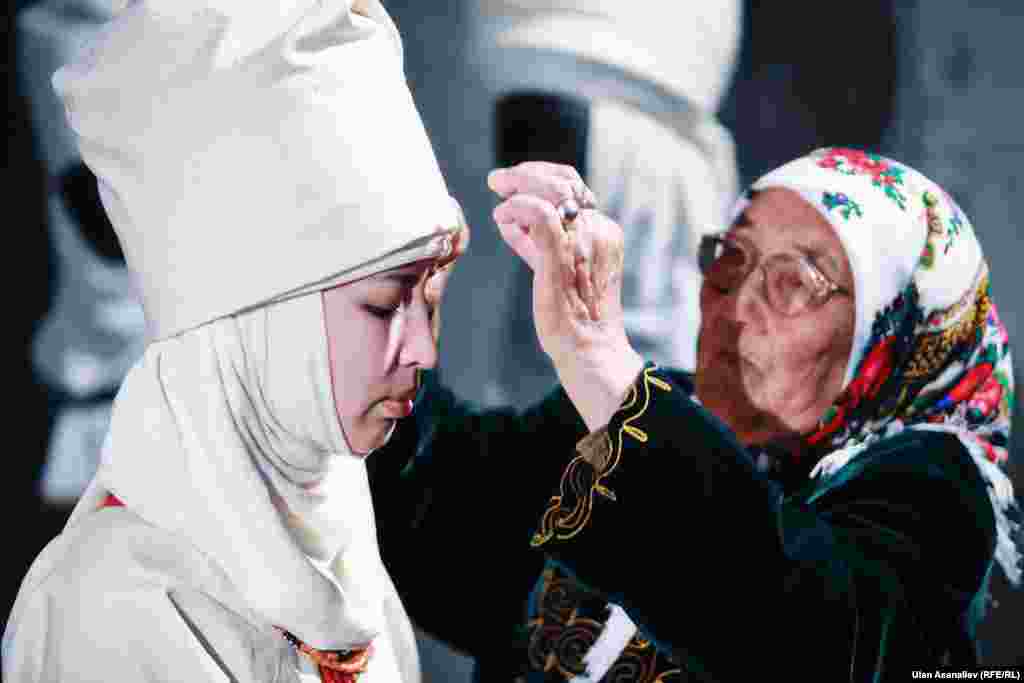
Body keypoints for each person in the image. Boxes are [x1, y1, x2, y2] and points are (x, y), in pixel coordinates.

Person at [370, 150, 1021, 680]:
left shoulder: (935, 501)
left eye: (793, 281)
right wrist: (393, 304)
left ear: (891, 328)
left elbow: (804, 637)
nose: (734, 306)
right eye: (731, 259)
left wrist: (599, 359)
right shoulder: (651, 413)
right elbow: (438, 527)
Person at [2, 1, 467, 680]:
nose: (424, 350)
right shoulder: (111, 611)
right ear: (261, 325)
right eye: (381, 305)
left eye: (430, 297)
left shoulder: (350, 559)